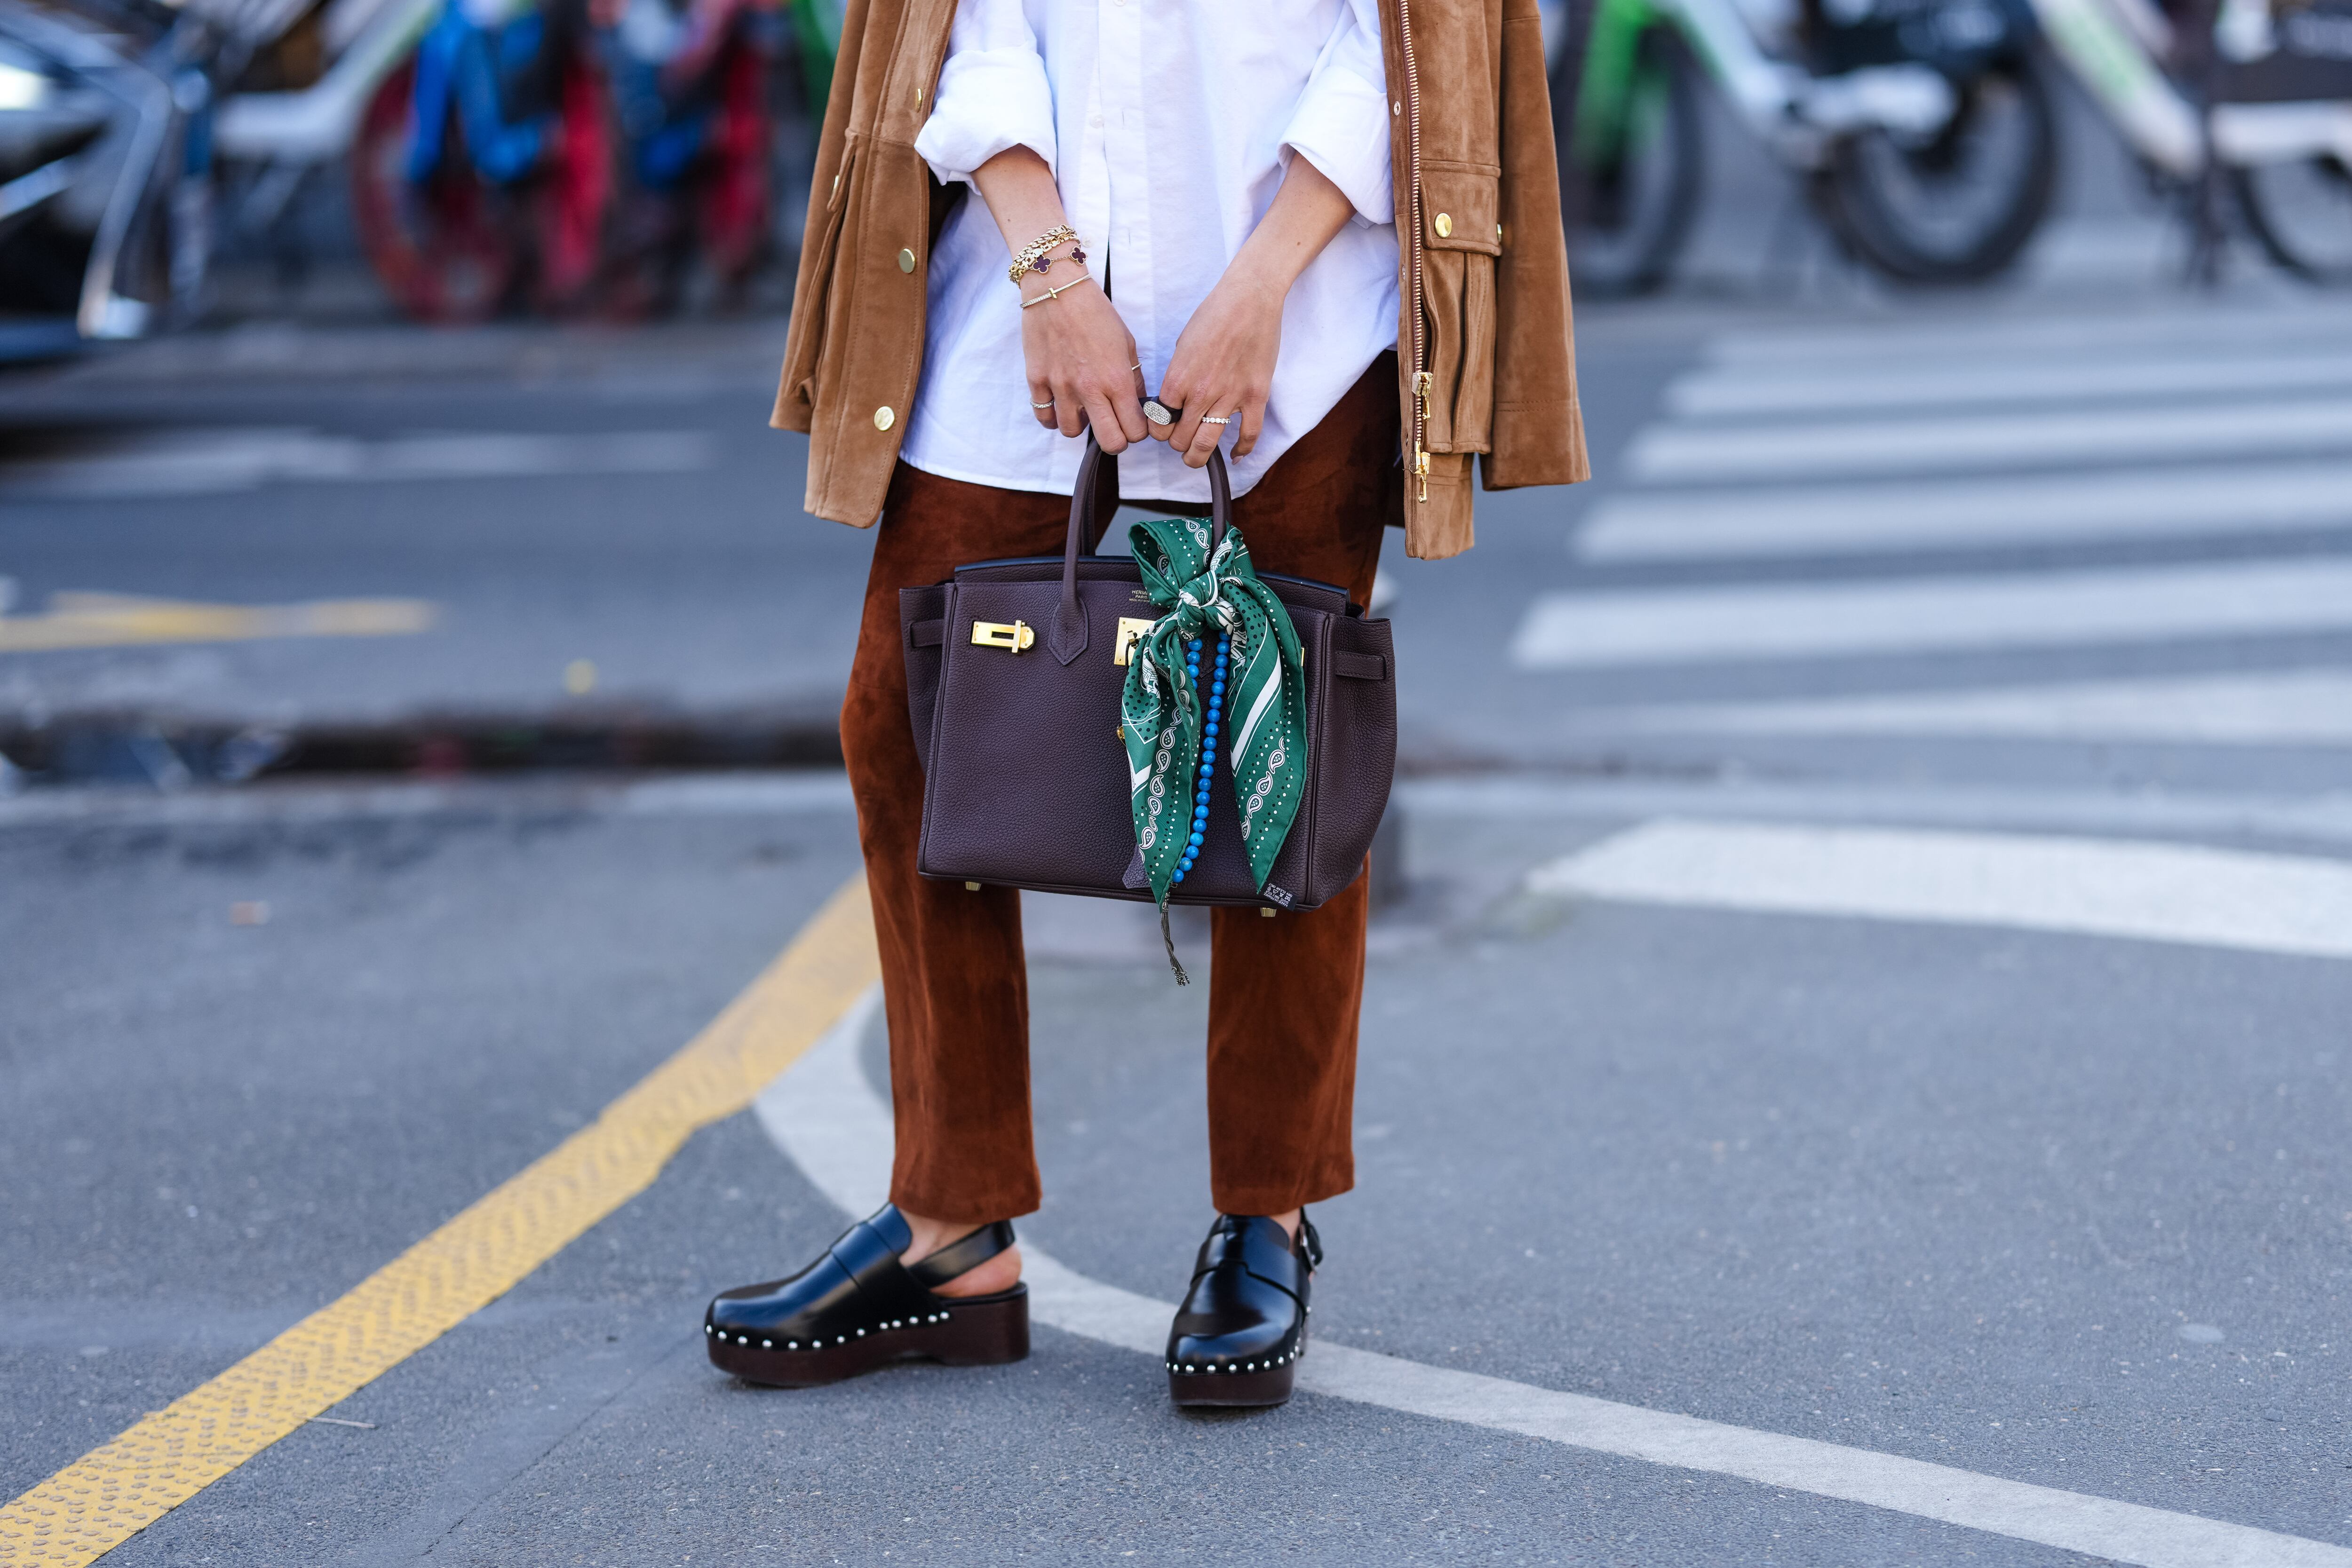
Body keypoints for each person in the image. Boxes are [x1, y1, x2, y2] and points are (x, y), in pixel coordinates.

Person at [707, 0, 1588, 1409]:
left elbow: (1410, 43)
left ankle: (1268, 1213)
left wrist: (1261, 290)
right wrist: (1049, 274)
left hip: (1301, 305)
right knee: (906, 724)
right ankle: (950, 1227)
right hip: (1025, 286)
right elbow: (968, 23)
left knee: (1281, 751)